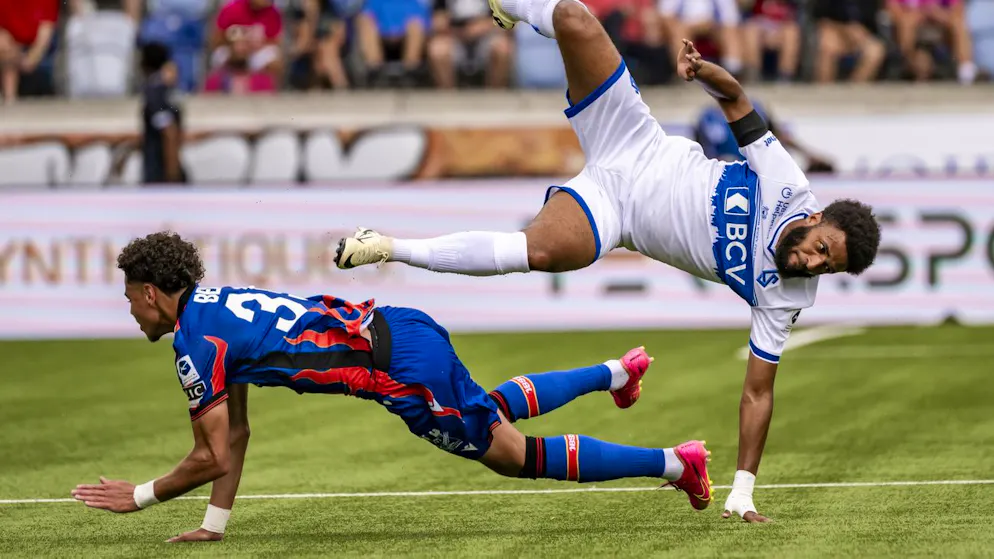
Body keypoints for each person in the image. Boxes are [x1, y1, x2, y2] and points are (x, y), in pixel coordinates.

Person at [334, 0, 882, 523]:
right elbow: (738, 105)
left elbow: (758, 391)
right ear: (815, 218)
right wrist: (702, 70)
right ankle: (513, 8)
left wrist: (742, 490)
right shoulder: (789, 185)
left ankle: (388, 246)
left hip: (615, 213)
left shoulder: (786, 297)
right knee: (573, 17)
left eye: (825, 270)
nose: (813, 266)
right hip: (635, 139)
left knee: (539, 252)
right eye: (822, 250)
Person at [70, 232, 713, 541]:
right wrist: (215, 523)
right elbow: (233, 434)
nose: (130, 311)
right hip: (400, 328)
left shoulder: (194, 343)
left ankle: (674, 464)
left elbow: (210, 453)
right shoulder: (212, 307)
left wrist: (142, 496)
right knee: (488, 412)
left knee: (513, 457)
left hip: (398, 371)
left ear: (153, 293)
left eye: (130, 298)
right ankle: (617, 373)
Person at [694, 100, 836, 174]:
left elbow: (776, 135)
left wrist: (808, 154)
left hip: (760, 171)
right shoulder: (706, 117)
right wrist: (722, 161)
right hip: (728, 176)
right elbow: (702, 154)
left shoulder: (754, 108)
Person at [140, 43, 188, 185]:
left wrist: (172, 172)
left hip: (160, 172)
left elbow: (169, 130)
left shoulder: (155, 93)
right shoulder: (170, 92)